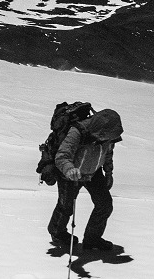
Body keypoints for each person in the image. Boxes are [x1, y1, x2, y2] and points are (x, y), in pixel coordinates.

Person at [47, 108, 122, 253]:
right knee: (65, 207)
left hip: (93, 172)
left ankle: (92, 239)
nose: (109, 139)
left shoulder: (109, 134)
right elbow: (62, 155)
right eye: (107, 136)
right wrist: (69, 169)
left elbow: (108, 153)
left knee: (105, 205)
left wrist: (109, 172)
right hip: (71, 174)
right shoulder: (78, 131)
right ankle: (57, 233)